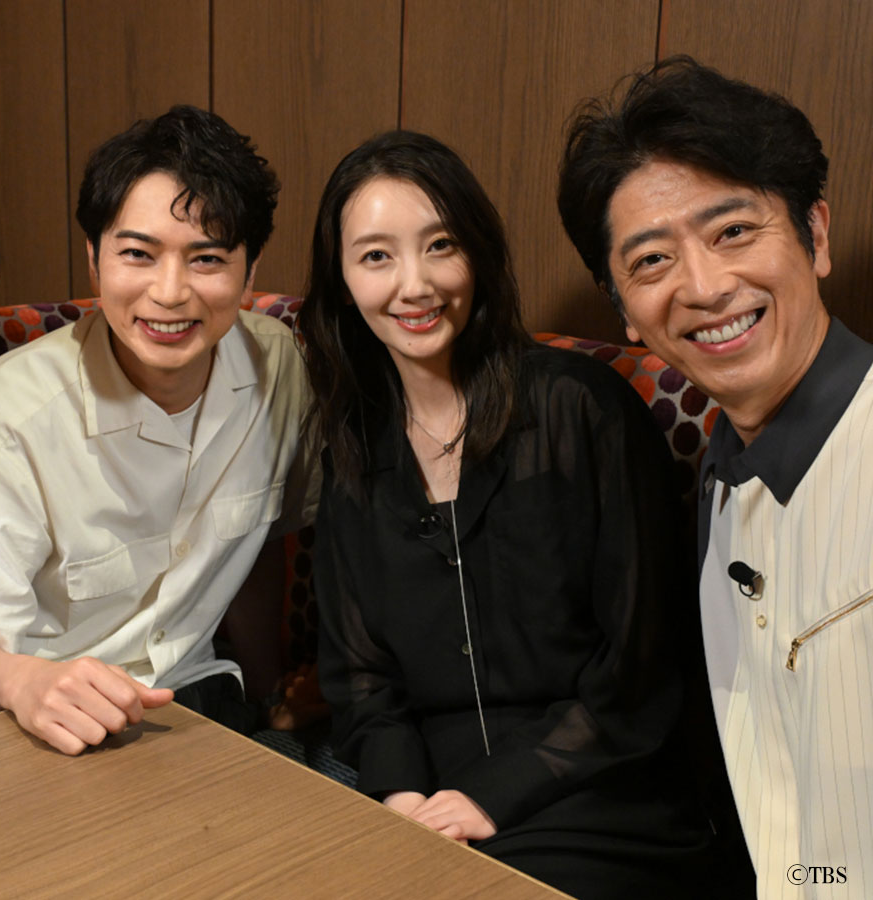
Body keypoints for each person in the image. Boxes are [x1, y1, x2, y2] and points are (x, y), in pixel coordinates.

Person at [297, 130, 716, 898]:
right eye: (376, 256)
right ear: (343, 282)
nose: (414, 284)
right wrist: (403, 800)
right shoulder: (354, 450)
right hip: (429, 794)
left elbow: (640, 666)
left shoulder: (577, 409)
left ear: (478, 254)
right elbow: (361, 681)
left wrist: (492, 794)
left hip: (596, 786)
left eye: (440, 246)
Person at [0, 106, 318, 753]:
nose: (169, 293)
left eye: (206, 259)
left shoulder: (277, 366)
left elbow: (259, 546)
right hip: (21, 731)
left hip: (191, 704)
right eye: (138, 254)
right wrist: (27, 685)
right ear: (94, 259)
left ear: (250, 272)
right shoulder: (10, 414)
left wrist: (268, 696)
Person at [559, 56, 872, 899]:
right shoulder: (719, 479)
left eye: (733, 232)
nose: (704, 287)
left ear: (816, 236)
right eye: (651, 260)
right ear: (624, 310)